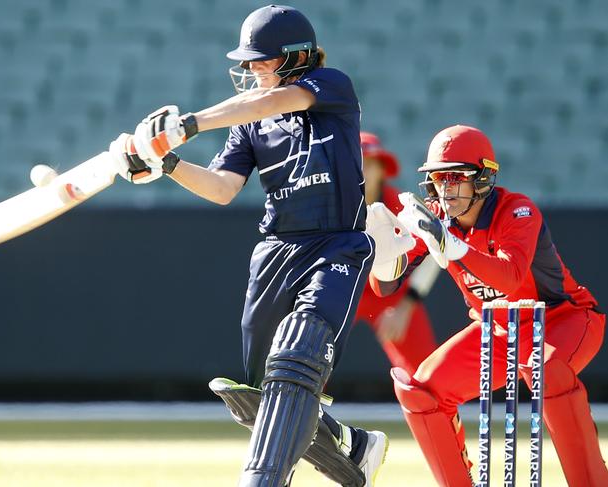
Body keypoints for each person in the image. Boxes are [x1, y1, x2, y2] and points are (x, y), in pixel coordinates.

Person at [107, 5, 388, 486]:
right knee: (258, 397)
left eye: (262, 60)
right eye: (248, 61)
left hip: (336, 246)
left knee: (297, 355)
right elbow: (221, 188)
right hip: (275, 252)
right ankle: (352, 445)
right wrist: (167, 163)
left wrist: (189, 123)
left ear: (298, 58)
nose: (252, 69)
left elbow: (271, 104)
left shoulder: (331, 86)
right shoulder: (249, 122)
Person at [367, 124, 608, 486]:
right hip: (497, 329)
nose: (445, 189)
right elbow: (384, 288)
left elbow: (509, 278)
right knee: (423, 393)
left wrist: (452, 246)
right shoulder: (436, 218)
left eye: (456, 178)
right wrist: (384, 257)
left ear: (482, 179)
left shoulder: (518, 211)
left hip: (563, 319)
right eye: (438, 179)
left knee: (545, 372)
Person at [355, 132, 439, 375]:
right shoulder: (331, 205)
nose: (363, 171)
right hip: (342, 287)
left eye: (370, 164)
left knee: (425, 374)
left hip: (392, 292)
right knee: (309, 354)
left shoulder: (401, 205)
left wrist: (406, 306)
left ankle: (435, 413)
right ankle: (294, 408)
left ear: (382, 171)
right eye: (357, 162)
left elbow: (431, 252)